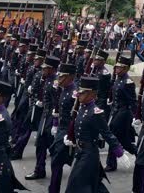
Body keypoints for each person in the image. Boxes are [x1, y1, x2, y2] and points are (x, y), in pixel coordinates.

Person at [63, 76, 131, 193]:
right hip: (80, 152)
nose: (79, 95)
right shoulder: (81, 107)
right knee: (92, 185)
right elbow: (78, 126)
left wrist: (119, 152)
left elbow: (107, 133)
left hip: (89, 155)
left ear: (92, 94)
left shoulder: (95, 112)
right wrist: (71, 137)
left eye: (82, 93)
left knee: (76, 184)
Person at [25, 56, 60, 180]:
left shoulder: (56, 82)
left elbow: (57, 102)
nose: (43, 70)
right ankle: (39, 169)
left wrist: (55, 122)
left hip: (52, 117)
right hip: (45, 115)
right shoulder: (46, 79)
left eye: (46, 68)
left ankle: (56, 172)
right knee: (40, 143)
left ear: (52, 69)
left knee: (54, 146)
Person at [48, 63, 77, 193]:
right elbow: (58, 108)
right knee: (57, 161)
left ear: (70, 77)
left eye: (62, 77)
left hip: (69, 131)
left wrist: (71, 134)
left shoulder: (74, 93)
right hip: (61, 129)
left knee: (80, 167)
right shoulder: (63, 89)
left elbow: (76, 116)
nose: (59, 80)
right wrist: (55, 122)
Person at [105, 56, 137, 172]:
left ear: (126, 68)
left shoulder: (128, 82)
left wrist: (135, 117)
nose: (117, 69)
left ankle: (111, 163)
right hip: (116, 111)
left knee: (113, 136)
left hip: (123, 114)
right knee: (123, 140)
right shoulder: (118, 79)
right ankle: (138, 152)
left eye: (120, 67)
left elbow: (132, 101)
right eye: (116, 67)